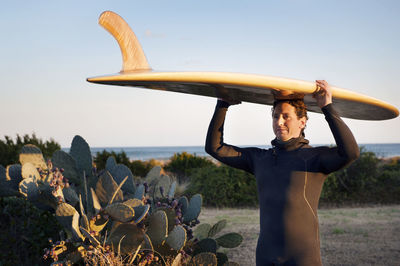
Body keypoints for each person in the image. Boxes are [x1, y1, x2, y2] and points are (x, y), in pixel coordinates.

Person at [205, 80, 359, 265]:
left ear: (302, 122)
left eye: (286, 117)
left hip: (303, 259)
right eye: (275, 116)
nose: (279, 122)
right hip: (265, 256)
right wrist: (223, 104)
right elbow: (215, 148)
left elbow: (351, 152)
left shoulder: (314, 158)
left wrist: (327, 107)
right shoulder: (260, 158)